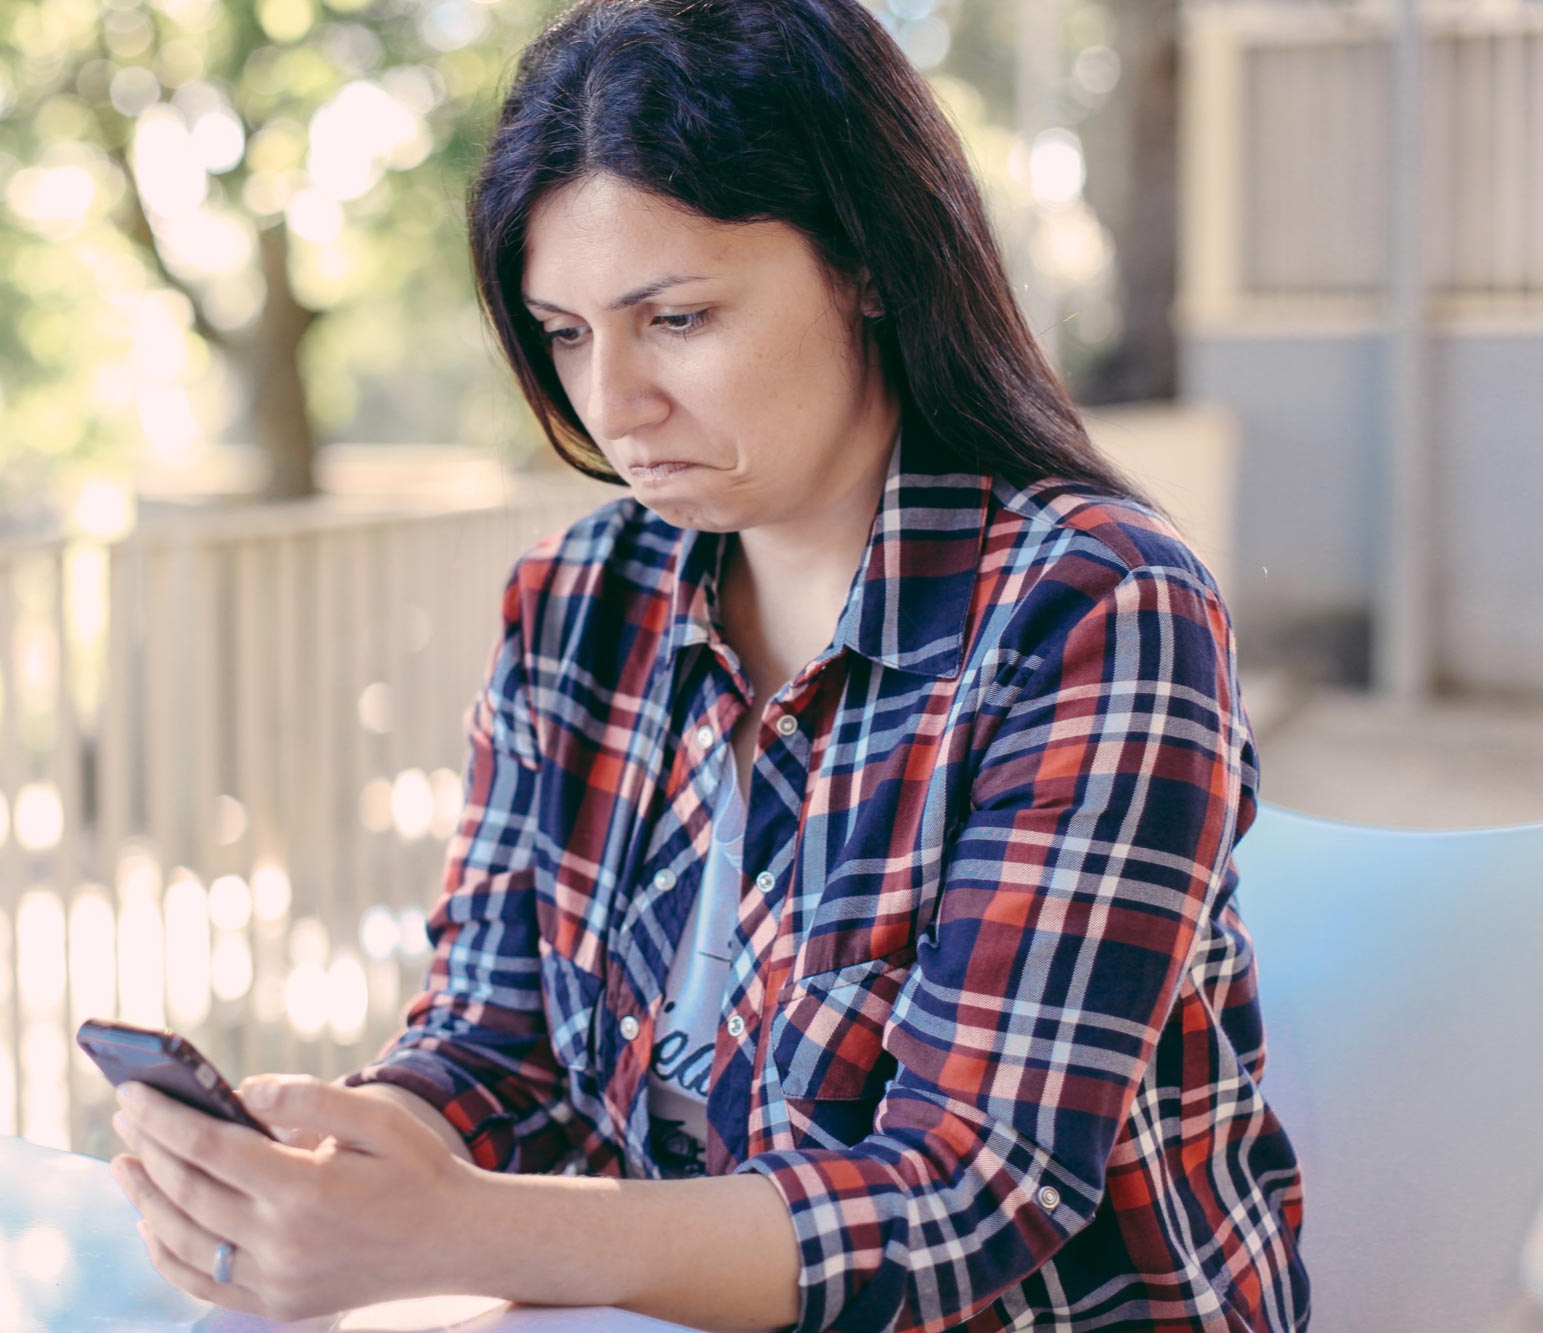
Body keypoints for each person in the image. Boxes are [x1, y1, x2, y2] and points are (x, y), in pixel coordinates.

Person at [107, 0, 1311, 1329]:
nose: (613, 403)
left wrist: (455, 1228)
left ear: (864, 259)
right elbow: (498, 1039)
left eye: (674, 317)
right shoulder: (576, 602)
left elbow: (965, 1195)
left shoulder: (1092, 607)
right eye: (564, 333)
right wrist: (365, 1145)